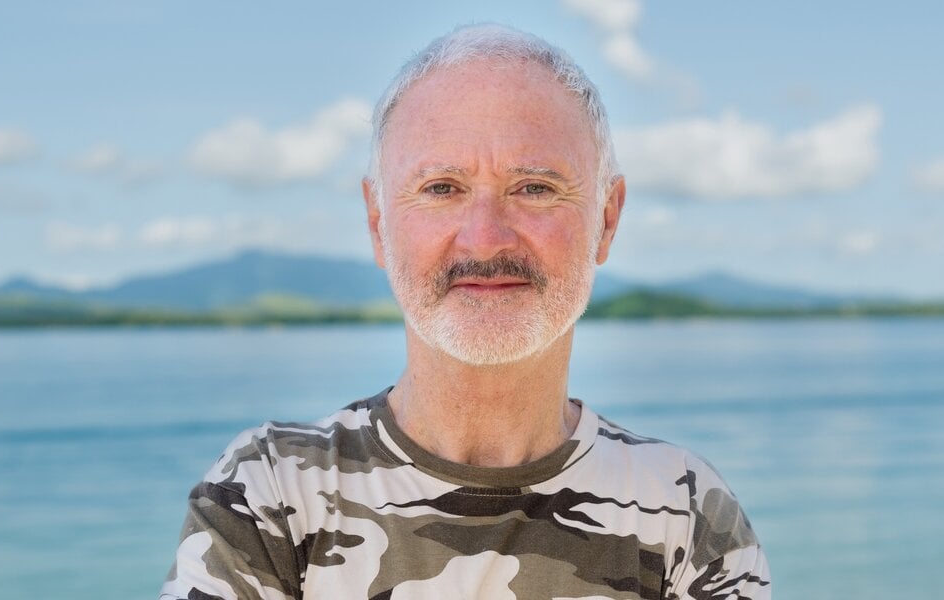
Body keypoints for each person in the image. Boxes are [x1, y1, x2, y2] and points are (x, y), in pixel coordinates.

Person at [160, 24, 769, 600]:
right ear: (378, 224)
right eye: (441, 188)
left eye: (534, 188)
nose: (484, 238)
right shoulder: (268, 492)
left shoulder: (685, 513)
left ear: (606, 221)